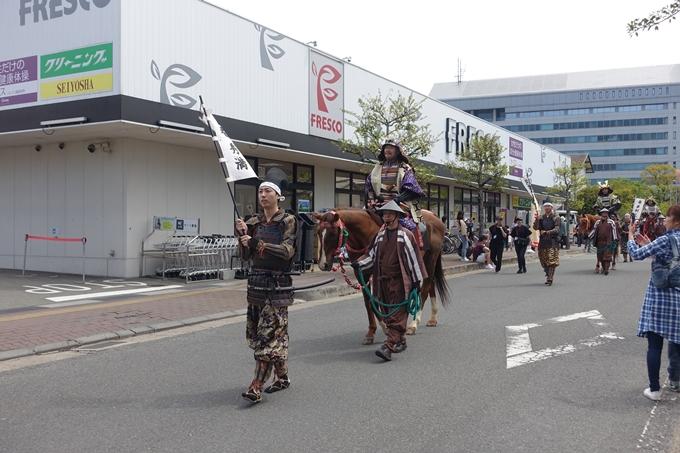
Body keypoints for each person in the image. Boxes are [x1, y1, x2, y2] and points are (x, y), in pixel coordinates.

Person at [235, 168, 298, 404]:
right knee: (259, 335)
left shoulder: (288, 220)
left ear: (277, 196)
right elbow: (243, 256)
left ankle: (256, 387)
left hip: (277, 286)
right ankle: (282, 378)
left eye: (267, 191)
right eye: (260, 191)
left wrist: (255, 242)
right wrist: (241, 236)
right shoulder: (252, 222)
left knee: (268, 339)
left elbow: (287, 251)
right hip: (256, 286)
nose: (263, 195)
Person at [351, 200, 428, 362]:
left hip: (400, 280)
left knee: (397, 313)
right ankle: (401, 340)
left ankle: (389, 346)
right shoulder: (379, 236)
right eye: (385, 213)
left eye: (390, 213)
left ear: (397, 216)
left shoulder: (405, 235)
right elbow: (370, 255)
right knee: (386, 312)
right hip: (382, 280)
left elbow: (414, 258)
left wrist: (416, 280)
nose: (387, 216)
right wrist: (359, 263)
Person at [628, 204, 680, 401]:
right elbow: (670, 259)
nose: (665, 221)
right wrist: (649, 244)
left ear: (676, 221)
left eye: (668, 218)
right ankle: (675, 381)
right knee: (677, 342)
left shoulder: (667, 239)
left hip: (661, 297)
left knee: (655, 344)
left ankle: (655, 389)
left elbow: (636, 254)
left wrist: (631, 236)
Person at [365, 136, 425, 232]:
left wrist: (399, 199)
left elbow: (411, 188)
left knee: (410, 227)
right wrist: (372, 198)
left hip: (399, 206)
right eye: (385, 148)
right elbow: (369, 186)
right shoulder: (377, 167)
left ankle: (411, 246)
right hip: (378, 205)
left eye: (390, 148)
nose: (387, 150)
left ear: (398, 151)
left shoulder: (405, 168)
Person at [533, 201, 562, 286]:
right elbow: (535, 228)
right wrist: (537, 221)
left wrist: (547, 232)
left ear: (551, 208)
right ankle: (548, 273)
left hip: (552, 241)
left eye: (549, 206)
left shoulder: (556, 218)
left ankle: (550, 277)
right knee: (543, 260)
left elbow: (557, 229)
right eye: (546, 206)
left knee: (552, 261)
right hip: (542, 242)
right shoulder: (541, 218)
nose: (547, 208)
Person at [588, 208, 619, 275]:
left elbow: (614, 230)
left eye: (606, 213)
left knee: (607, 255)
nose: (605, 214)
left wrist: (615, 238)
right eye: (603, 213)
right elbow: (594, 230)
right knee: (600, 256)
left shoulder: (611, 222)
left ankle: (606, 268)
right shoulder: (597, 222)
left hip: (608, 241)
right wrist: (589, 236)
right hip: (599, 242)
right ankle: (603, 266)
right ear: (601, 214)